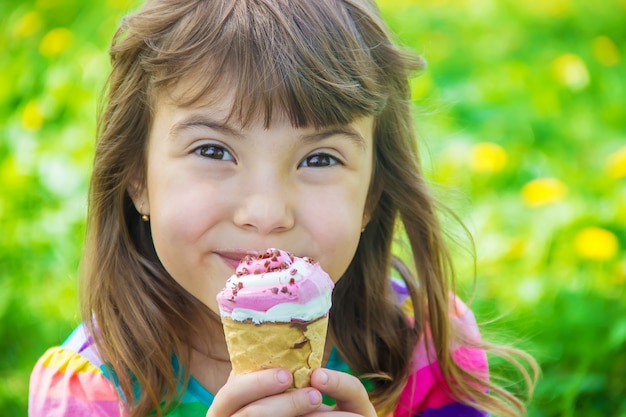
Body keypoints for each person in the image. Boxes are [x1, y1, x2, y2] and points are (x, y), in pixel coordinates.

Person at [29, 0, 538, 416]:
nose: (267, 212)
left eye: (319, 158)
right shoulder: (91, 394)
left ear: (371, 196)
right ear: (138, 178)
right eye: (213, 151)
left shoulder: (420, 341)